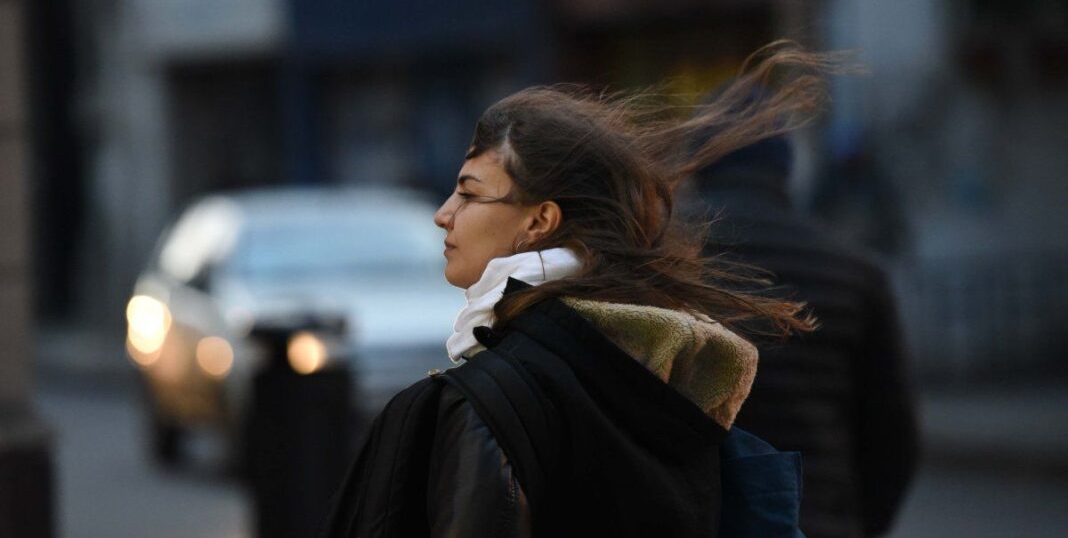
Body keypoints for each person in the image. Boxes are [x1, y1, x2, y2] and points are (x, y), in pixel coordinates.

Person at [321, 42, 837, 538]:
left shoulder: (494, 397)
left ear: (540, 220)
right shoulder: (653, 375)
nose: (443, 214)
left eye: (468, 193)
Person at [695, 136, 919, 538]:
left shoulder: (663, 257)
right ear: (784, 169)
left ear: (700, 163)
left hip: (702, 521)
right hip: (820, 518)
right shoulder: (854, 271)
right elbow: (894, 439)